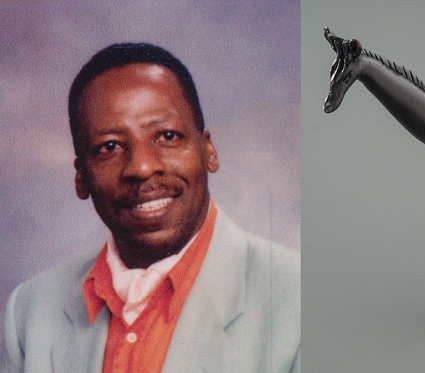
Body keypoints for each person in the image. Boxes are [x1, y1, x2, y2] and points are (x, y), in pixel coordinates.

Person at [1, 43, 300, 373]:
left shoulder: (301, 299)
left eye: (167, 136)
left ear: (208, 151)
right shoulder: (28, 313)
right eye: (109, 147)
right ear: (81, 177)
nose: (141, 168)